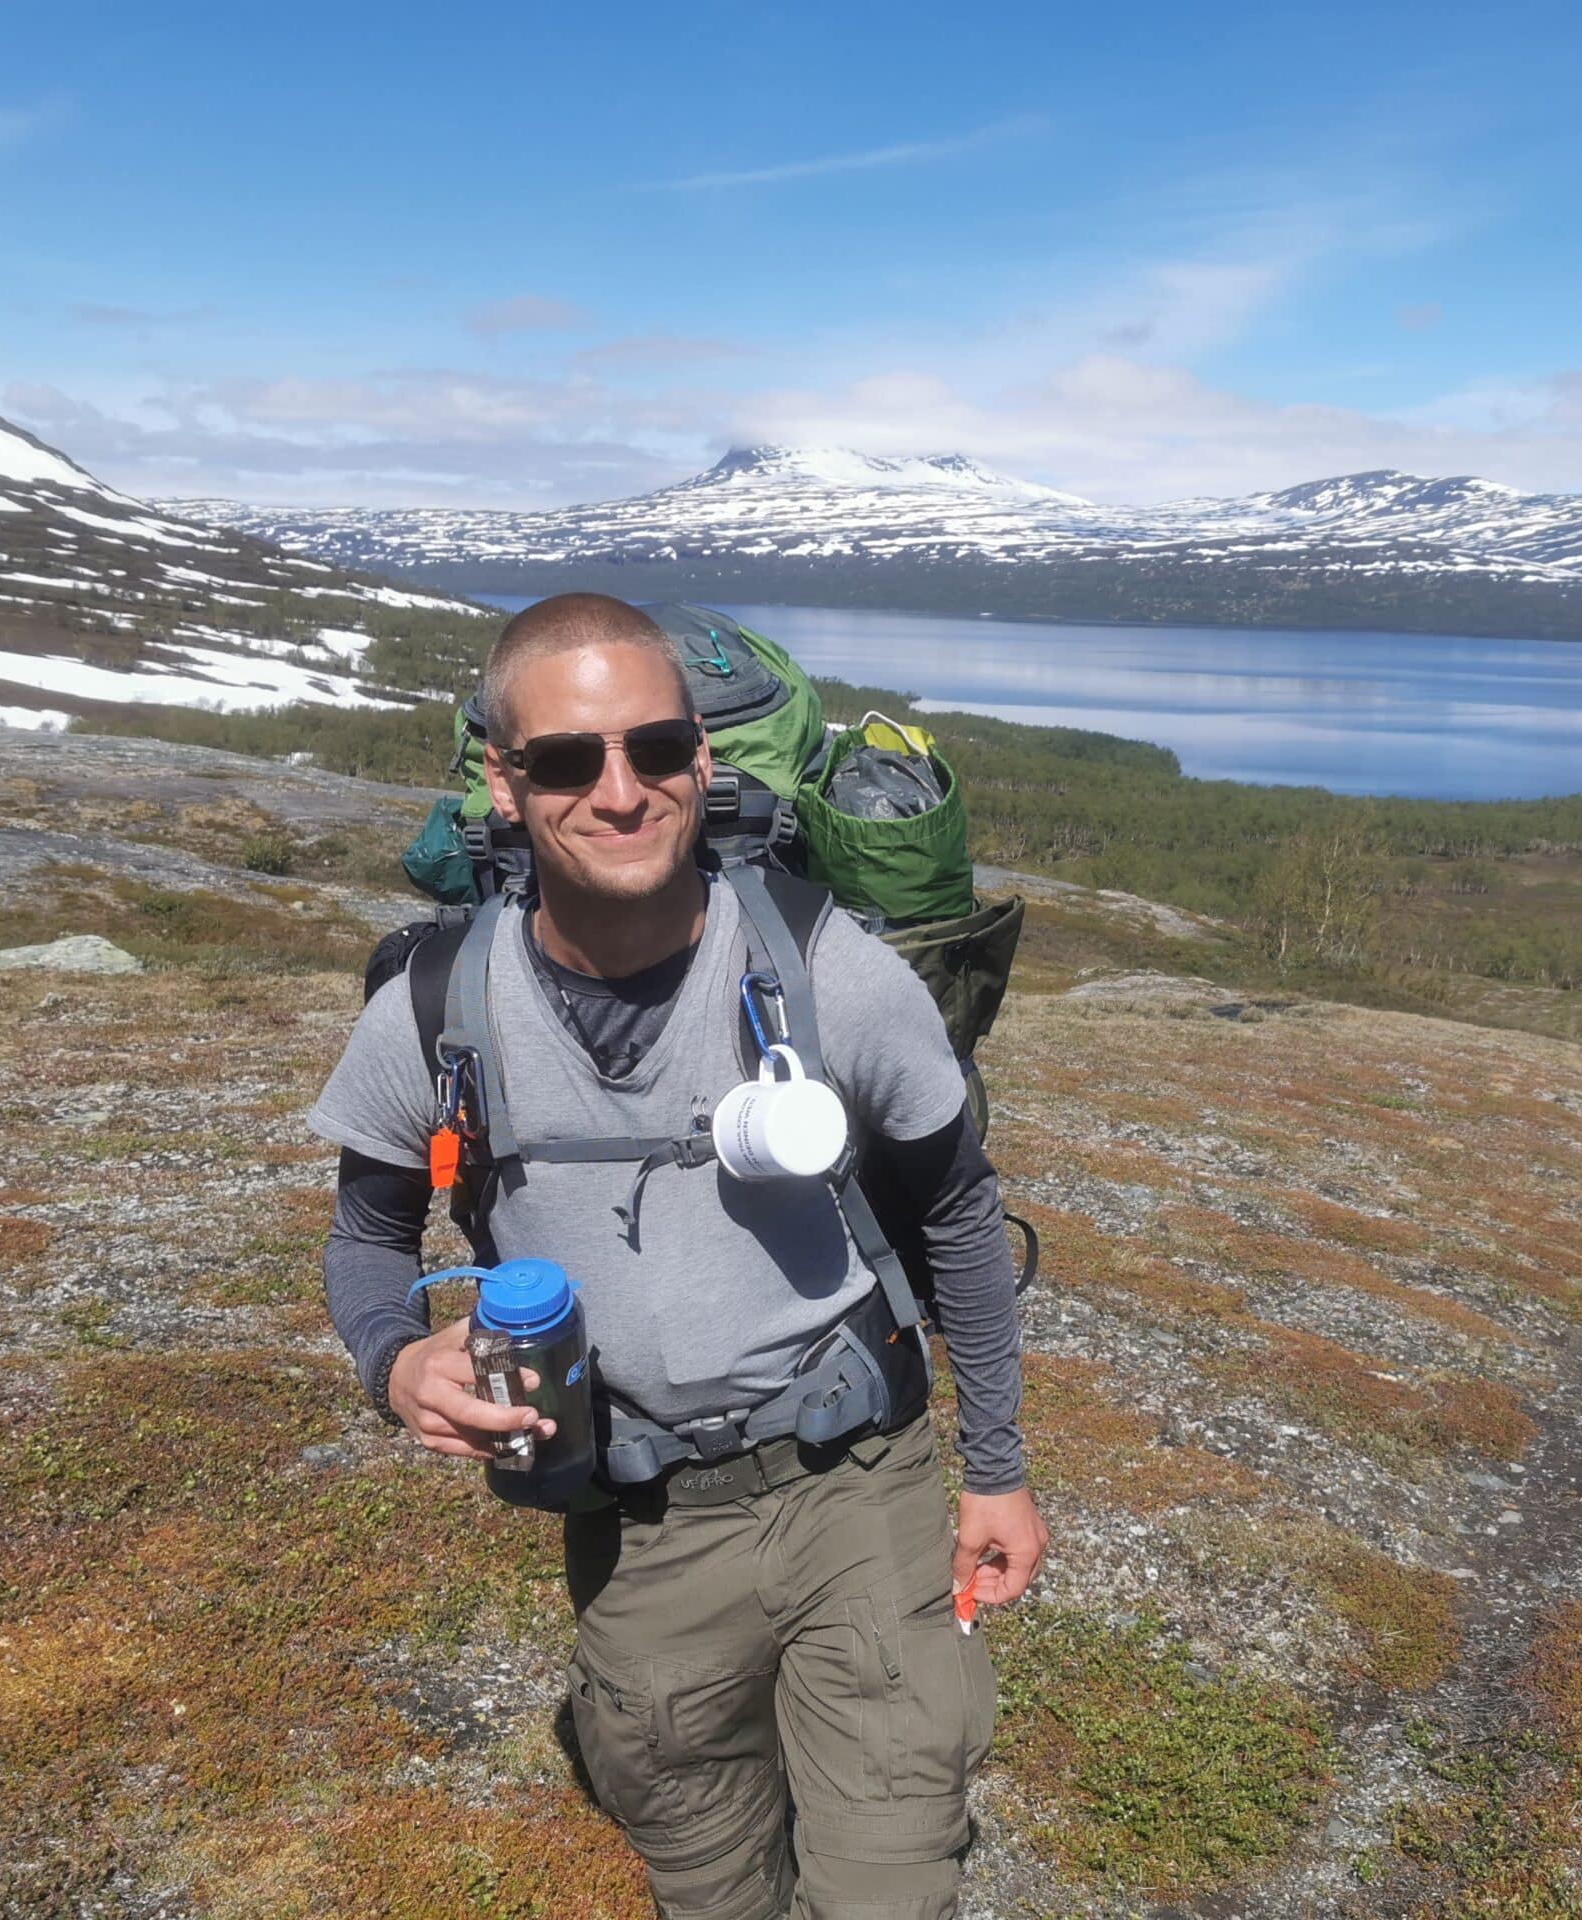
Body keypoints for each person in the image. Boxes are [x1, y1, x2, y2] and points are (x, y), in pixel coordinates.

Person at [308, 593, 1047, 1919]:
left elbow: (958, 1214)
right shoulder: (434, 1008)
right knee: (707, 1880)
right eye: (566, 759)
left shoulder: (835, 974)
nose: (620, 789)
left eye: (655, 748)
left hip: (857, 1489)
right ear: (504, 776)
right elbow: (365, 1239)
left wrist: (996, 1473)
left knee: (889, 1882)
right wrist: (391, 1354)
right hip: (638, 1518)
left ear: (703, 757)